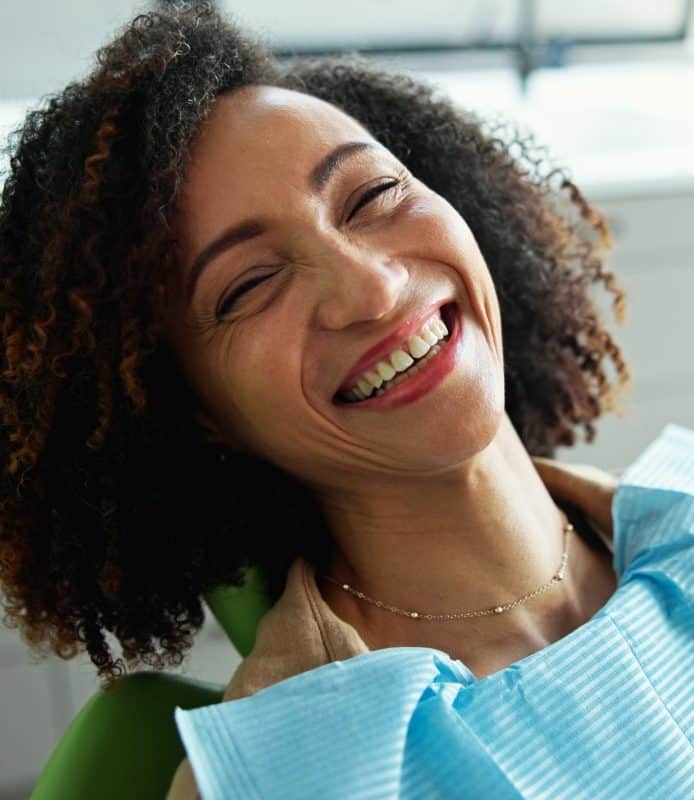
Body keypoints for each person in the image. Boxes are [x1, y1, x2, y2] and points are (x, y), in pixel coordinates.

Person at [0, 3, 631, 797]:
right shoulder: (282, 777)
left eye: (371, 197)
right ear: (194, 411)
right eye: (252, 285)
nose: (373, 287)